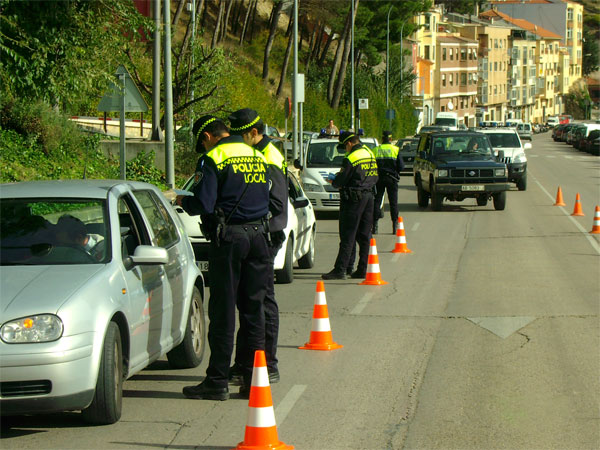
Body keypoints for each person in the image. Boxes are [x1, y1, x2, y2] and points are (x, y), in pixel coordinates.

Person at [176, 115, 274, 401]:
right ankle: (251, 379)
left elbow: (203, 204)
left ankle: (217, 381)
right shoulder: (255, 154)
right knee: (254, 311)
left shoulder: (213, 158)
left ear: (207, 137)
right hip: (259, 236)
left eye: (202, 144)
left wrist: (183, 200)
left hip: (230, 239)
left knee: (222, 312)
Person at [227, 108, 288, 386]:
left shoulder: (268, 157)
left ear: (253, 133)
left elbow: (276, 202)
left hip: (267, 233)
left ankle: (269, 363)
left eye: (240, 136)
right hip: (258, 233)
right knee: (249, 302)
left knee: (262, 301)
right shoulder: (258, 153)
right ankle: (245, 363)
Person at [322, 131, 378, 280]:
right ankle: (362, 269)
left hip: (354, 199)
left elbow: (341, 181)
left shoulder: (351, 158)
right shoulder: (369, 153)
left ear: (349, 143)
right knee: (365, 235)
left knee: (348, 234)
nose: (345, 150)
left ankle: (341, 269)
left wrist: (334, 181)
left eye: (344, 146)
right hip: (369, 196)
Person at [372, 131, 404, 234]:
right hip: (392, 179)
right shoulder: (395, 150)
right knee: (393, 203)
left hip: (379, 179)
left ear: (382, 139)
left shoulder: (376, 150)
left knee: (377, 201)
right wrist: (395, 172)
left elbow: (372, 165)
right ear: (391, 139)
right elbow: (401, 166)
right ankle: (394, 226)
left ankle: (375, 226)